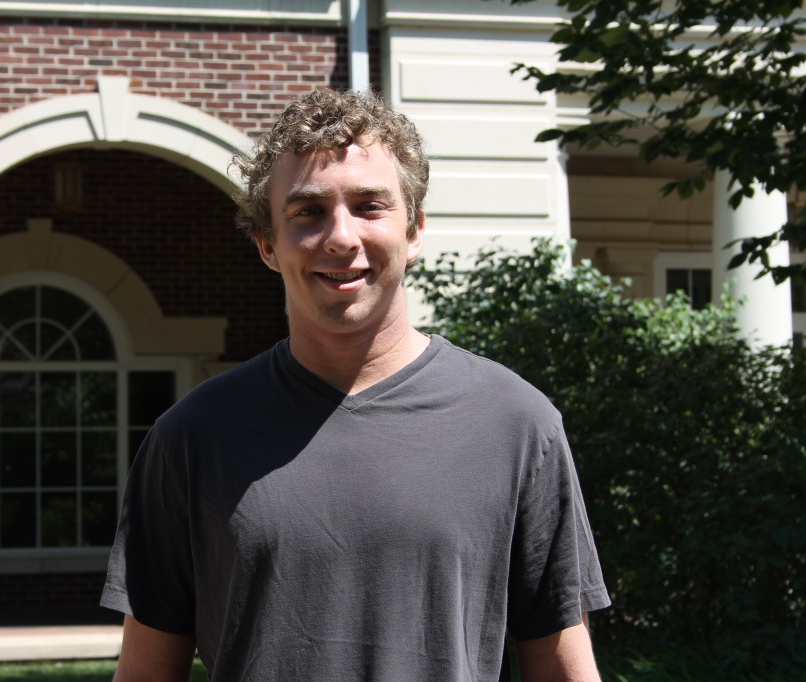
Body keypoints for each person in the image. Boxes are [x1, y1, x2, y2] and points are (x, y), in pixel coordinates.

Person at [100, 88, 610, 681]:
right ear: (267, 244)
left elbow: (561, 664)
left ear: (414, 231)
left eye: (369, 206)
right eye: (308, 212)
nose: (341, 237)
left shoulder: (516, 424)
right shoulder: (192, 437)